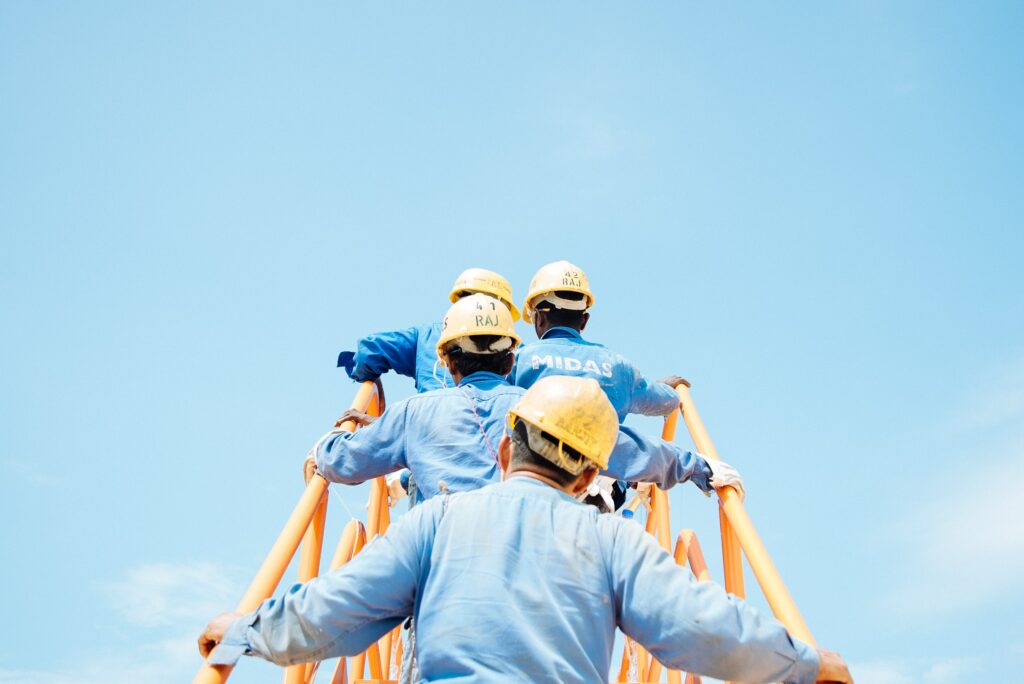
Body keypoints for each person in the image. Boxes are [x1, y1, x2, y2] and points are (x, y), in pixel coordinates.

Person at [199, 376, 853, 684]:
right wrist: (803, 662)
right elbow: (699, 625)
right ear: (588, 476)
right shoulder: (616, 540)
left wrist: (241, 634)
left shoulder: (435, 522)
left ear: (507, 449)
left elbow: (336, 611)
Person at [308, 294, 740, 504]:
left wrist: (334, 438)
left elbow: (341, 462)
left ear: (447, 360)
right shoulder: (546, 408)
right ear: (511, 353)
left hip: (441, 581)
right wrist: (699, 467)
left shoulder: (412, 414)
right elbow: (626, 448)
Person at [514, 260, 684, 423]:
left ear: (540, 318)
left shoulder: (519, 360)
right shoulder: (618, 366)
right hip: (603, 453)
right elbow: (664, 401)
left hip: (533, 452)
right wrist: (666, 388)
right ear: (584, 320)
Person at [337, 267, 521, 393]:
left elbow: (370, 351)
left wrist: (370, 379)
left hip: (427, 433)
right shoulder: (514, 351)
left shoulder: (425, 337)